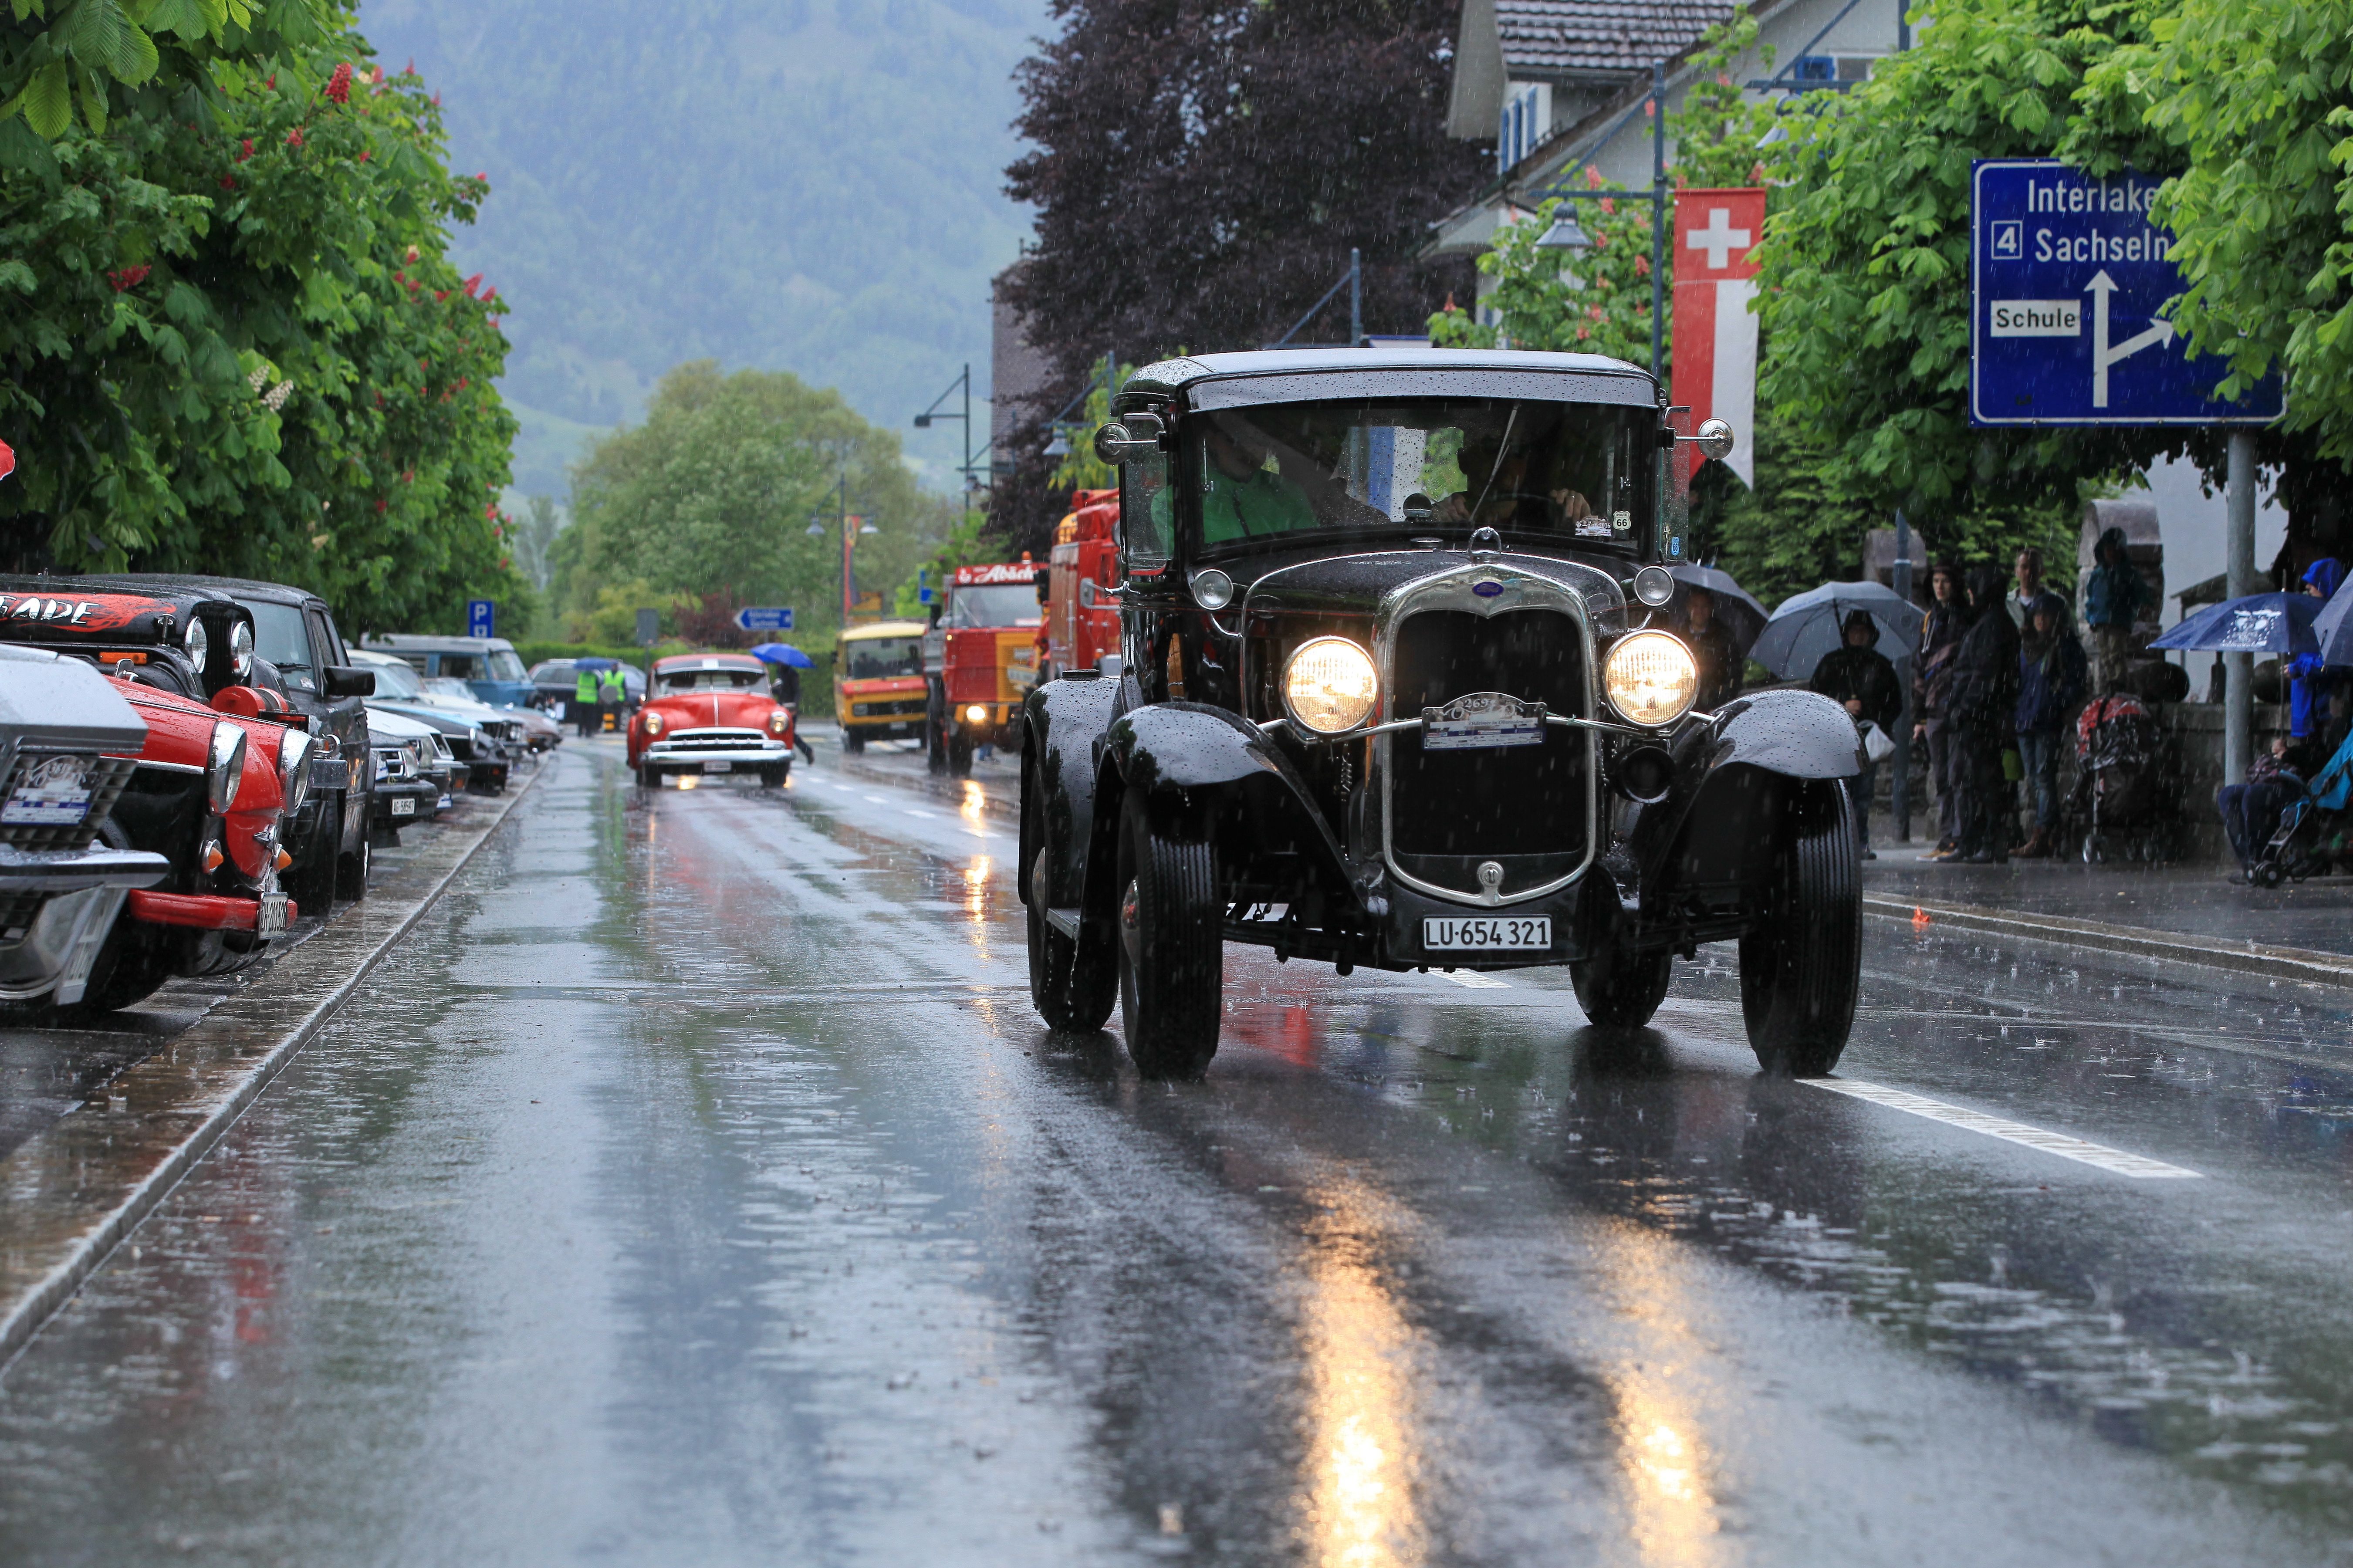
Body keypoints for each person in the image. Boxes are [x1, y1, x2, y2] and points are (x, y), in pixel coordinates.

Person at [1941, 567, 2024, 863]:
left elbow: (1984, 675)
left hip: (1981, 717)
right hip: (1982, 714)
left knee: (1985, 781)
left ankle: (1988, 842)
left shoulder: (1992, 626)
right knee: (1977, 781)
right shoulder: (1994, 623)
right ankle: (1976, 841)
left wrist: (1966, 709)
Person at [1809, 609, 1903, 856]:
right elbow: (1817, 698)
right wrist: (1842, 704)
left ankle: (1860, 842)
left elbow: (1894, 703)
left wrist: (1874, 718)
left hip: (1867, 738)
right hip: (1837, 737)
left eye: (1863, 631)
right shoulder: (1832, 663)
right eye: (1854, 631)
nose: (1858, 636)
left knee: (1863, 794)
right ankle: (1839, 842)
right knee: (1840, 793)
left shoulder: (1881, 666)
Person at [2012, 592, 2088, 858]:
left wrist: (2056, 703)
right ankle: (2050, 831)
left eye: (2046, 615)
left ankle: (2043, 834)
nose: (2041, 620)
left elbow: (2076, 683)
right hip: (2025, 719)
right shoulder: (2027, 645)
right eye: (2038, 615)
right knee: (2034, 777)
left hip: (2047, 720)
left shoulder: (2065, 646)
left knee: (2044, 778)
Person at [1914, 564, 1968, 853]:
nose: (1940, 586)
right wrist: (1920, 715)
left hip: (1955, 706)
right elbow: (1920, 668)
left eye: (1945, 581)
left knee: (1956, 774)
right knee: (1942, 776)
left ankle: (1957, 836)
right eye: (1936, 581)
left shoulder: (1962, 618)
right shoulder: (1929, 621)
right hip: (1936, 708)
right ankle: (1947, 836)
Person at [1197, 422, 1317, 543]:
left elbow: (1313, 550)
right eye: (1233, 439)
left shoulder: (1289, 492)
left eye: (1259, 442)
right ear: (1210, 440)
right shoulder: (1189, 494)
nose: (1247, 450)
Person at [2285, 557, 2345, 765]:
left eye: (2314, 582)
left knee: (2317, 765)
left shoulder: (2334, 622)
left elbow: (2329, 664)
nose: (2308, 587)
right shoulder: (2314, 619)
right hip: (2309, 713)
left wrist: (2299, 668)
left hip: (2319, 714)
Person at [2083, 526, 2147, 694]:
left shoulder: (2128, 575)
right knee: (2106, 655)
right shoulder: (2098, 575)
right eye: (2109, 549)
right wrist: (2091, 618)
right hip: (2101, 620)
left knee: (2116, 653)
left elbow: (2140, 594)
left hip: (2119, 621)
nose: (2112, 554)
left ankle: (2119, 682)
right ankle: (2112, 681)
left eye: (2115, 550)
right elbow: (2091, 598)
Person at [1682, 588, 1742, 710]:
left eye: (1704, 607)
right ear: (1689, 608)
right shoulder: (1678, 636)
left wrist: (1723, 699)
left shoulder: (1724, 637)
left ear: (1711, 608)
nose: (1699, 611)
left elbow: (1735, 672)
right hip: (1684, 702)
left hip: (1714, 703)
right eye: (1695, 606)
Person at [2005, 547, 2045, 629]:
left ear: (2042, 572)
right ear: (2016, 571)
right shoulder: (2006, 603)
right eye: (2024, 567)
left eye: (2034, 567)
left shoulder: (2055, 603)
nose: (2029, 572)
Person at [572, 663, 599, 738]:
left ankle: (580, 732)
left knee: (581, 717)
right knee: (590, 718)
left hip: (581, 699)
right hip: (591, 701)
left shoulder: (581, 676)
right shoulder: (594, 677)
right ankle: (588, 732)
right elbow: (598, 688)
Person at [596, 665, 626, 733]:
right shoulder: (607, 674)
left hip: (618, 698)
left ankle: (617, 728)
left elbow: (624, 687)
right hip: (608, 698)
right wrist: (601, 697)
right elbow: (603, 687)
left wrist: (625, 698)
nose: (614, 668)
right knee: (608, 714)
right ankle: (608, 728)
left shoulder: (621, 675)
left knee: (617, 714)